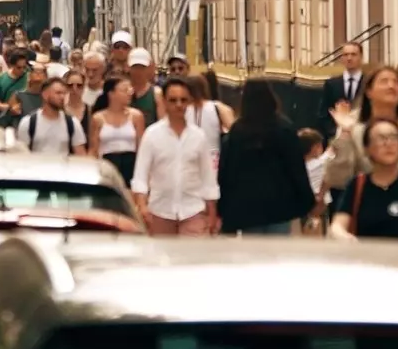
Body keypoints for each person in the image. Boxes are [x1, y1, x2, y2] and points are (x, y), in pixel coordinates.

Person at [216, 80, 312, 236]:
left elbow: (228, 171)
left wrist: (224, 207)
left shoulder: (238, 131)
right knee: (277, 253)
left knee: (254, 255)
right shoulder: (284, 128)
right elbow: (296, 167)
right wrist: (306, 200)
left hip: (248, 206)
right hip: (280, 205)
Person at [130, 78, 219, 235]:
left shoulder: (199, 136)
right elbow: (141, 175)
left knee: (191, 258)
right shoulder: (152, 135)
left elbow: (208, 177)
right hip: (159, 211)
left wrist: (211, 213)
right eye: (173, 100)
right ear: (164, 101)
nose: (178, 105)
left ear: (189, 101)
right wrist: (142, 206)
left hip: (193, 210)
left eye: (183, 100)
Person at [328, 120, 398, 242]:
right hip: (365, 258)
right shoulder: (357, 185)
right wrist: (343, 236)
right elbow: (338, 225)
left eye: (394, 138)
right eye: (381, 138)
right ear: (367, 148)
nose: (389, 143)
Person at [93, 75, 147, 183]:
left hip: (130, 165)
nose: (129, 93)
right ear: (111, 93)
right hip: (107, 164)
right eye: (124, 90)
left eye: (130, 90)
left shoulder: (136, 116)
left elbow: (141, 147)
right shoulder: (97, 118)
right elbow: (93, 149)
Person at [16, 77, 87, 155]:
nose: (62, 97)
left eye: (64, 93)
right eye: (58, 93)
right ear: (45, 95)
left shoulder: (72, 123)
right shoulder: (28, 122)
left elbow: (81, 155)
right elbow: (21, 156)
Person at [319, 41, 365, 131]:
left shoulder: (368, 83)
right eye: (346, 55)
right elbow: (324, 114)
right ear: (341, 58)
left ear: (361, 57)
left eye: (353, 54)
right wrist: (335, 133)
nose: (349, 58)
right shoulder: (332, 84)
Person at [0, 48, 33, 127]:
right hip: (7, 119)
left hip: (25, 118)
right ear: (12, 65)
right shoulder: (1, 79)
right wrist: (2, 106)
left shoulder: (29, 76)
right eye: (19, 67)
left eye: (24, 67)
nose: (22, 70)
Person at [298, 129, 330, 233]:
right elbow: (332, 153)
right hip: (319, 207)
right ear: (315, 148)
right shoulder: (321, 164)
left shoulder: (297, 167)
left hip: (301, 206)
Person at [125, 47, 160, 125]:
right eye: (135, 67)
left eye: (142, 67)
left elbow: (162, 122)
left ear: (149, 68)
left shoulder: (156, 94)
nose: (138, 71)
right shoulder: (122, 92)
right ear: (128, 67)